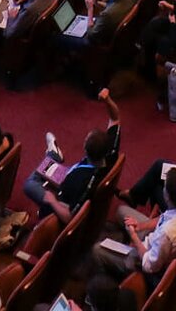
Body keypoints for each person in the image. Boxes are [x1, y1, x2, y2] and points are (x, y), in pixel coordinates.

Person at [23, 90, 122, 220]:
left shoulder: (82, 183)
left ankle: (53, 155)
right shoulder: (111, 152)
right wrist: (107, 99)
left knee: (30, 184)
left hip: (64, 197)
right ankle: (53, 155)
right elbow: (115, 118)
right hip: (71, 174)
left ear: (85, 149)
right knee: (46, 168)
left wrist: (52, 201)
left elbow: (70, 217)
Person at [94, 166, 176, 277]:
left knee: (96, 250)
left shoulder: (167, 234)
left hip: (144, 258)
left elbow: (149, 266)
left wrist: (134, 237)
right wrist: (140, 226)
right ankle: (124, 241)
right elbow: (164, 218)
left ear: (167, 197)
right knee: (121, 211)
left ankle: (111, 279)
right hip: (154, 238)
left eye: (164, 187)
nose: (162, 189)